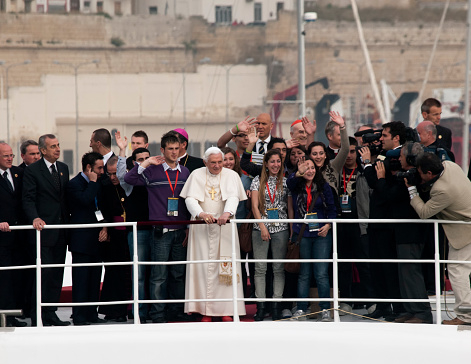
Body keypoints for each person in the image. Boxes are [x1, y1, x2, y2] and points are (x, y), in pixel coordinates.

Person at [124, 132, 191, 323]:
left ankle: (176, 311)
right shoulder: (152, 171)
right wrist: (146, 163)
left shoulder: (185, 172)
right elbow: (128, 180)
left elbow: (188, 202)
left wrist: (187, 228)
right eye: (169, 149)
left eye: (176, 149)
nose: (173, 152)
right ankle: (157, 314)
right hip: (160, 231)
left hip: (180, 230)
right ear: (162, 150)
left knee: (178, 274)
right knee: (158, 274)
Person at [180, 147, 247, 321]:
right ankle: (204, 310)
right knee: (202, 268)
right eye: (213, 163)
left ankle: (225, 310)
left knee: (225, 270)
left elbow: (233, 197)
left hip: (224, 227)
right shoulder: (196, 174)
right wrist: (201, 214)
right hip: (202, 226)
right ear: (205, 162)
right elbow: (190, 198)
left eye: (220, 162)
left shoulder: (231, 175)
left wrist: (228, 213)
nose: (217, 166)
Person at [407, 153, 471, 325]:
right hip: (466, 229)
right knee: (462, 271)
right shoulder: (452, 166)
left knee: (458, 272)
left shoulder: (441, 189)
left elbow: (424, 212)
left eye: (420, 172)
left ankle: (466, 317)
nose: (418, 175)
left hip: (465, 233)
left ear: (429, 174)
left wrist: (412, 189)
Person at [23, 134, 70, 326]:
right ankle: (38, 315)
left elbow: (64, 199)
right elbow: (28, 198)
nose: (57, 149)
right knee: (43, 274)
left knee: (57, 274)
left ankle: (51, 312)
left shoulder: (64, 169)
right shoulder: (33, 171)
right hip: (43, 232)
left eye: (58, 145)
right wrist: (34, 217)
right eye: (53, 147)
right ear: (43, 150)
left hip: (61, 230)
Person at [288, 156, 337, 322]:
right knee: (304, 273)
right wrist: (298, 173)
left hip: (321, 234)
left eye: (312, 168)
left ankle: (324, 309)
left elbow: (332, 209)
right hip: (303, 234)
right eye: (306, 167)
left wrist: (328, 225)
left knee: (321, 273)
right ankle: (301, 308)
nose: (310, 170)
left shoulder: (324, 187)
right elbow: (289, 183)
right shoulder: (296, 186)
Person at [115, 131, 153, 322]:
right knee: (138, 275)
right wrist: (122, 150)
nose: (144, 161)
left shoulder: (156, 175)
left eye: (147, 158)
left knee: (156, 274)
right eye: (140, 160)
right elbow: (122, 175)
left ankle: (157, 312)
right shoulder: (131, 182)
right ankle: (140, 313)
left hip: (158, 231)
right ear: (134, 162)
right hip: (138, 233)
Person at [67, 152, 107, 325]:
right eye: (99, 168)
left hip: (97, 238)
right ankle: (79, 316)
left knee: (94, 278)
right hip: (81, 240)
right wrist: (92, 182)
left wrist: (105, 227)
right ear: (89, 168)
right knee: (81, 280)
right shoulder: (74, 184)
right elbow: (85, 200)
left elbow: (102, 207)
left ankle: (91, 313)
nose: (102, 171)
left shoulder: (100, 182)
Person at [250, 149, 290, 321]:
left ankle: (276, 306)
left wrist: (292, 228)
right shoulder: (257, 181)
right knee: (260, 269)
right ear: (266, 163)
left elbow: (289, 207)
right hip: (260, 228)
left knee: (278, 269)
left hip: (281, 227)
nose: (275, 165)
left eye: (278, 161)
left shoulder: (286, 181)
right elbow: (254, 207)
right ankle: (261, 306)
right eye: (272, 161)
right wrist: (262, 226)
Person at [98, 156, 131, 322]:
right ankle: (114, 310)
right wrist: (104, 226)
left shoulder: (129, 185)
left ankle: (130, 309)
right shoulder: (104, 187)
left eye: (115, 174)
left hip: (129, 234)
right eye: (110, 174)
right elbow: (99, 210)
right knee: (114, 273)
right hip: (113, 235)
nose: (113, 177)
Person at [221, 147, 255, 300]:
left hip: (244, 227)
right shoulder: (218, 178)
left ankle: (253, 294)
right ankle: (236, 295)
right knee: (233, 262)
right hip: (226, 227)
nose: (228, 162)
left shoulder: (246, 180)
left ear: (236, 161)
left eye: (230, 159)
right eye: (224, 159)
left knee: (251, 262)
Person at [0, 143, 27, 327]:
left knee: (16, 276)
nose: (10, 159)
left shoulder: (18, 173)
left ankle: (12, 314)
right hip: (1, 237)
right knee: (4, 278)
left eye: (11, 155)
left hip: (18, 236)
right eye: (6, 156)